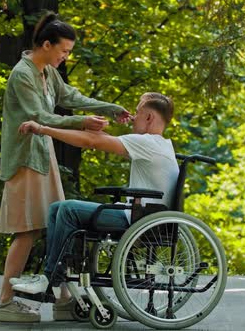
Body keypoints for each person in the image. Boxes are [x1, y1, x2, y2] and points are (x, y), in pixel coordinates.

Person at [0, 11, 131, 323]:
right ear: (45, 45)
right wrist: (82, 122)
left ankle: (64, 299)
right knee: (27, 231)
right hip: (26, 161)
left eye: (68, 52)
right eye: (63, 51)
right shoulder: (23, 74)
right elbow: (39, 116)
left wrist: (108, 108)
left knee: (60, 226)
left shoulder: (47, 73)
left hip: (44, 159)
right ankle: (3, 302)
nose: (65, 57)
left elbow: (70, 95)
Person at [12, 92, 179, 308]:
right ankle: (54, 279)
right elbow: (98, 139)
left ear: (149, 118)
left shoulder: (148, 143)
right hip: (141, 216)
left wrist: (42, 129)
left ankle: (51, 278)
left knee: (68, 210)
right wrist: (91, 128)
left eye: (137, 112)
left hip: (138, 220)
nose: (133, 118)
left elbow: (92, 142)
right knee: (57, 208)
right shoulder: (160, 145)